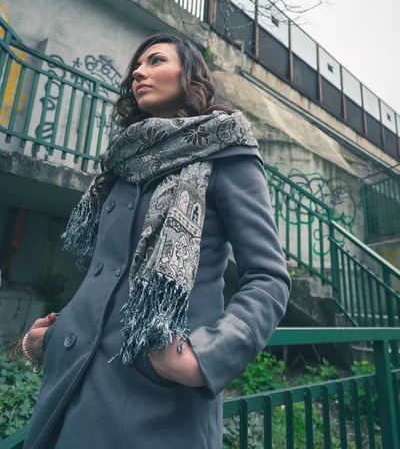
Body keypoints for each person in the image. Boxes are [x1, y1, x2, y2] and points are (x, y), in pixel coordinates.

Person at [22, 32, 291, 449]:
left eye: (155, 61)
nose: (137, 73)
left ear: (190, 75)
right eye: (136, 66)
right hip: (76, 385)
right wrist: (50, 341)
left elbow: (268, 278)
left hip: (156, 399)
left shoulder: (227, 151)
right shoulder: (123, 162)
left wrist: (204, 358)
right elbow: (107, 280)